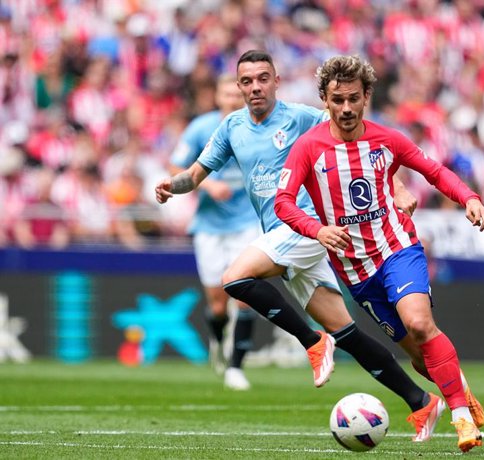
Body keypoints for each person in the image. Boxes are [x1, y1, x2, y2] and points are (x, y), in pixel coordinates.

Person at [155, 50, 466, 442]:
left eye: (262, 78)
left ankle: (312, 341)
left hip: (307, 225)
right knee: (348, 332)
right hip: (284, 234)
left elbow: (364, 144)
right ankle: (421, 401)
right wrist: (172, 187)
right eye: (247, 81)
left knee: (234, 279)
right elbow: (196, 174)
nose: (255, 87)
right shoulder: (231, 127)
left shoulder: (301, 116)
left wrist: (396, 185)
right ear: (239, 86)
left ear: (276, 81)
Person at [274, 55, 484, 453]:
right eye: (337, 99)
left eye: (353, 99)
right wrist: (318, 229)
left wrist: (470, 198)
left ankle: (461, 418)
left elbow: (434, 171)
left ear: (367, 96)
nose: (346, 108)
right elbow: (284, 203)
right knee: (418, 356)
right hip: (357, 273)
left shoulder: (387, 139)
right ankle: (460, 387)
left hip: (397, 248)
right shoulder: (308, 148)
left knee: (420, 324)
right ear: (324, 99)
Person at [168, 73, 262, 390]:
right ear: (218, 97)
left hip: (248, 221)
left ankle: (236, 366)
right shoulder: (200, 128)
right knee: (218, 303)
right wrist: (208, 184)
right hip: (209, 226)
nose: (233, 99)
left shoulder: (259, 126)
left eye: (238, 94)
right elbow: (174, 167)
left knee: (246, 295)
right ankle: (217, 337)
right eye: (227, 93)